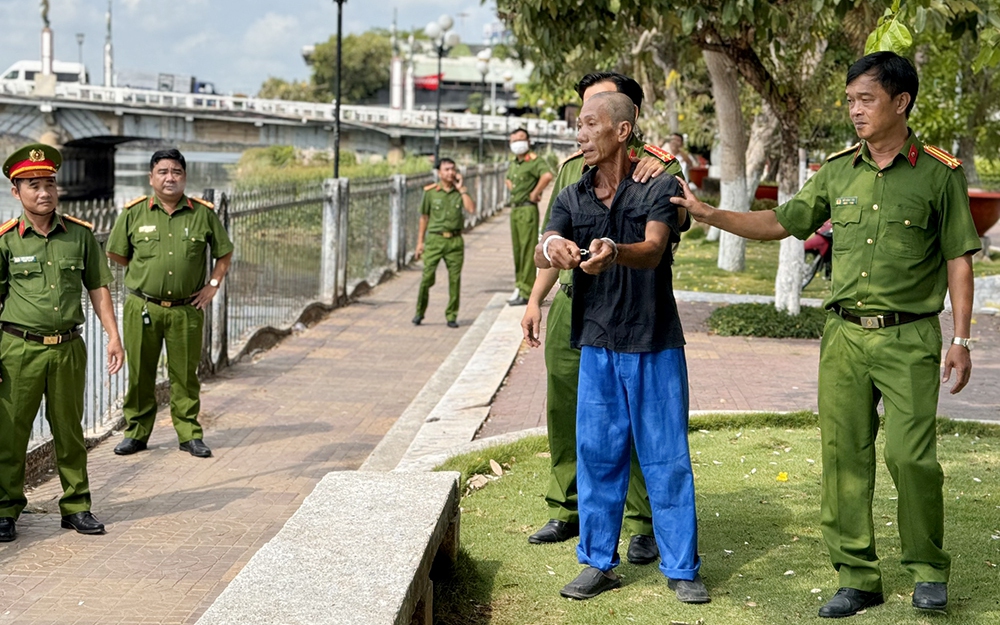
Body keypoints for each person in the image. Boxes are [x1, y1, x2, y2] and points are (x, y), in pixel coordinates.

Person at [671, 51, 979, 618]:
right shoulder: (837, 170)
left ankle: (928, 570)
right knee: (843, 458)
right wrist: (712, 215)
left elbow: (961, 260)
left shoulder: (940, 173)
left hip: (909, 337)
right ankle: (858, 576)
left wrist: (960, 340)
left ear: (900, 101)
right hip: (843, 338)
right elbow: (782, 222)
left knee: (913, 459)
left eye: (866, 99)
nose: (854, 111)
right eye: (850, 100)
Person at [540, 92, 707, 604]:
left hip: (653, 341)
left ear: (622, 131)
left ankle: (682, 567)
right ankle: (597, 562)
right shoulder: (572, 194)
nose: (580, 134)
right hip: (596, 343)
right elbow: (547, 240)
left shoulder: (657, 188)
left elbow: (655, 248)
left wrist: (616, 252)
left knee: (666, 457)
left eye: (591, 125)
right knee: (597, 455)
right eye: (579, 126)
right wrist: (555, 247)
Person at [0, 143, 124, 541]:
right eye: (33, 185)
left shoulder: (81, 236)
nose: (44, 192)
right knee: (11, 431)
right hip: (18, 348)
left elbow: (99, 287)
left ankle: (76, 506)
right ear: (16, 193)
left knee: (69, 429)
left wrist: (113, 336)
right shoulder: (5, 240)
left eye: (49, 183)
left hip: (69, 347)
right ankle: (6, 510)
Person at [107, 148, 234, 459]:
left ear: (185, 177)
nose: (170, 178)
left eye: (176, 172)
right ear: (151, 178)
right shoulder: (134, 213)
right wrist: (146, 275)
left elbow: (224, 253)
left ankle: (189, 433)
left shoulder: (203, 213)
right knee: (140, 374)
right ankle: (136, 432)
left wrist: (212, 286)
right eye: (163, 172)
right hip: (143, 307)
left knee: (185, 375)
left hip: (187, 309)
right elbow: (116, 253)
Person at [412, 158, 476, 328]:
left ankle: (451, 315)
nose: (450, 173)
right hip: (434, 240)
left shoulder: (460, 192)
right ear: (439, 173)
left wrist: (461, 189)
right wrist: (420, 243)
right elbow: (424, 218)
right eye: (446, 169)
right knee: (427, 277)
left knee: (454, 279)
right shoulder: (431, 192)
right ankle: (419, 312)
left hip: (455, 241)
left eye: (453, 169)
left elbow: (471, 209)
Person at [505, 128, 553, 306]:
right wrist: (514, 190)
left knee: (526, 250)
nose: (517, 142)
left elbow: (547, 175)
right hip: (515, 209)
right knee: (518, 250)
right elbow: (508, 179)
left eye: (521, 139)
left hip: (527, 209)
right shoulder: (515, 163)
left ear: (528, 141)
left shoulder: (533, 161)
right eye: (514, 139)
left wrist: (535, 192)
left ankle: (526, 290)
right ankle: (520, 285)